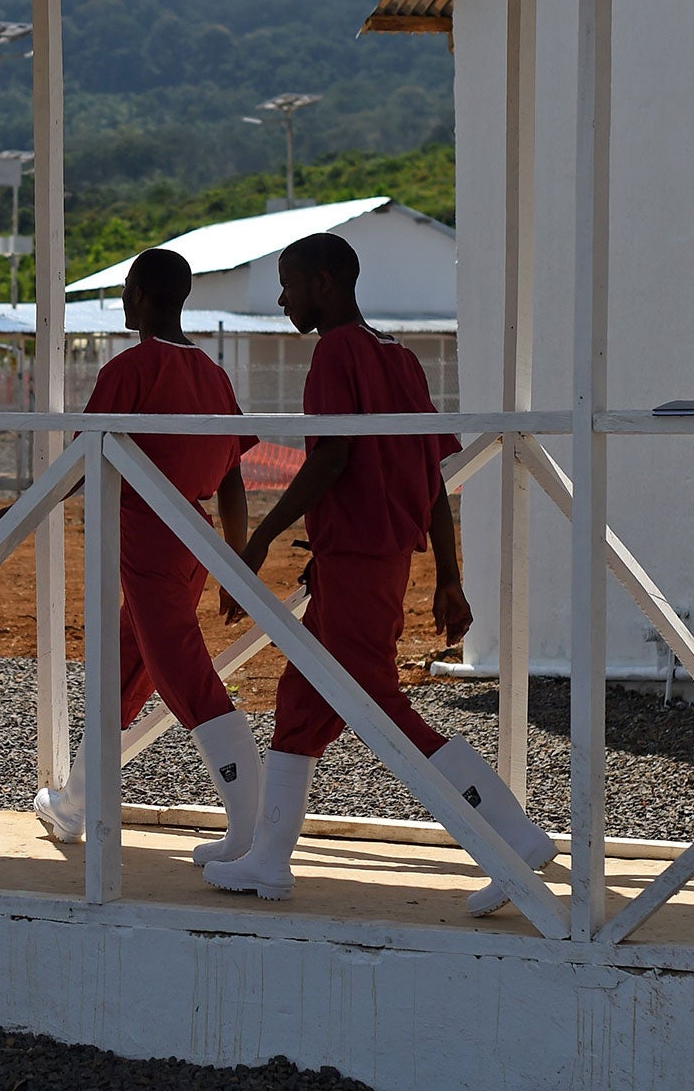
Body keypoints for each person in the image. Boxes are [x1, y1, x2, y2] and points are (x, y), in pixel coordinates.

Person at [202, 233, 555, 913]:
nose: (282, 299)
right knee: (301, 705)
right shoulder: (400, 357)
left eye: (290, 283)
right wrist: (448, 574)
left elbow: (332, 457)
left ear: (327, 283)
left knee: (378, 703)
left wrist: (263, 539)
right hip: (374, 559)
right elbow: (430, 475)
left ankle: (511, 838)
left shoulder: (335, 352)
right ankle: (269, 862)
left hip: (357, 559)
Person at [15, 247, 264, 864]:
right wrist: (236, 563)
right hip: (196, 541)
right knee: (124, 673)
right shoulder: (214, 374)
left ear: (147, 296)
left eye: (128, 290)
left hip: (147, 536)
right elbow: (232, 480)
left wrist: (21, 512)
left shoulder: (130, 368)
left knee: (183, 673)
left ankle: (252, 827)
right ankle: (73, 806)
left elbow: (80, 461)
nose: (124, 301)